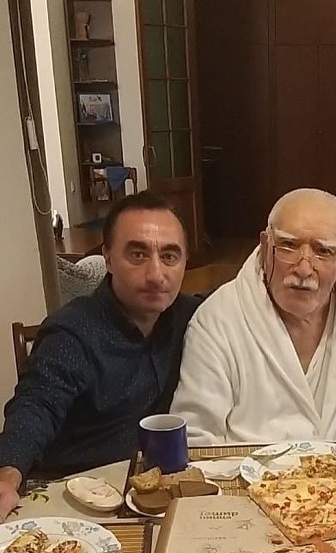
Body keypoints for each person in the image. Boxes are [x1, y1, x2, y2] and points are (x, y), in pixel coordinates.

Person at [0, 191, 201, 520]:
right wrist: (8, 475)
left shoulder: (194, 316)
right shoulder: (72, 331)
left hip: (151, 491)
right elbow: (36, 405)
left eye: (169, 256)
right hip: (73, 495)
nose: (156, 274)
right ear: (107, 258)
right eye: (137, 254)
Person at [171, 188, 336, 444]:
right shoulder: (217, 321)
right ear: (266, 246)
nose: (303, 269)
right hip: (247, 466)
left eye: (323, 251)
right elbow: (194, 437)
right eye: (288, 246)